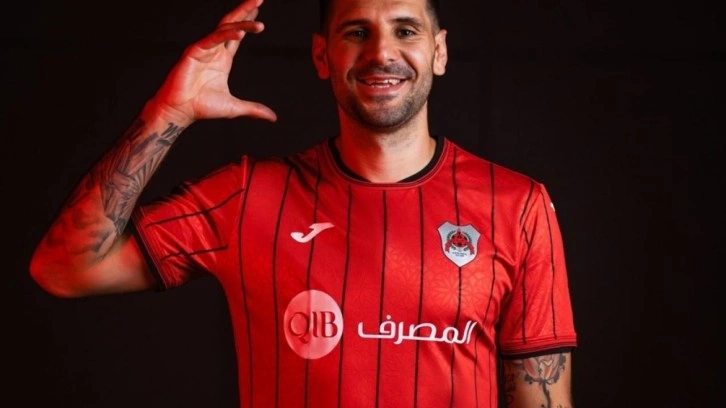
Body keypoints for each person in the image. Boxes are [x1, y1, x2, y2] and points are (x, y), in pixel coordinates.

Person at [30, 0, 578, 406]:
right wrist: (167, 113)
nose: (381, 52)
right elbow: (63, 269)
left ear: (439, 51)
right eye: (357, 32)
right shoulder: (247, 196)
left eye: (405, 30)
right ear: (321, 55)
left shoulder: (517, 206)